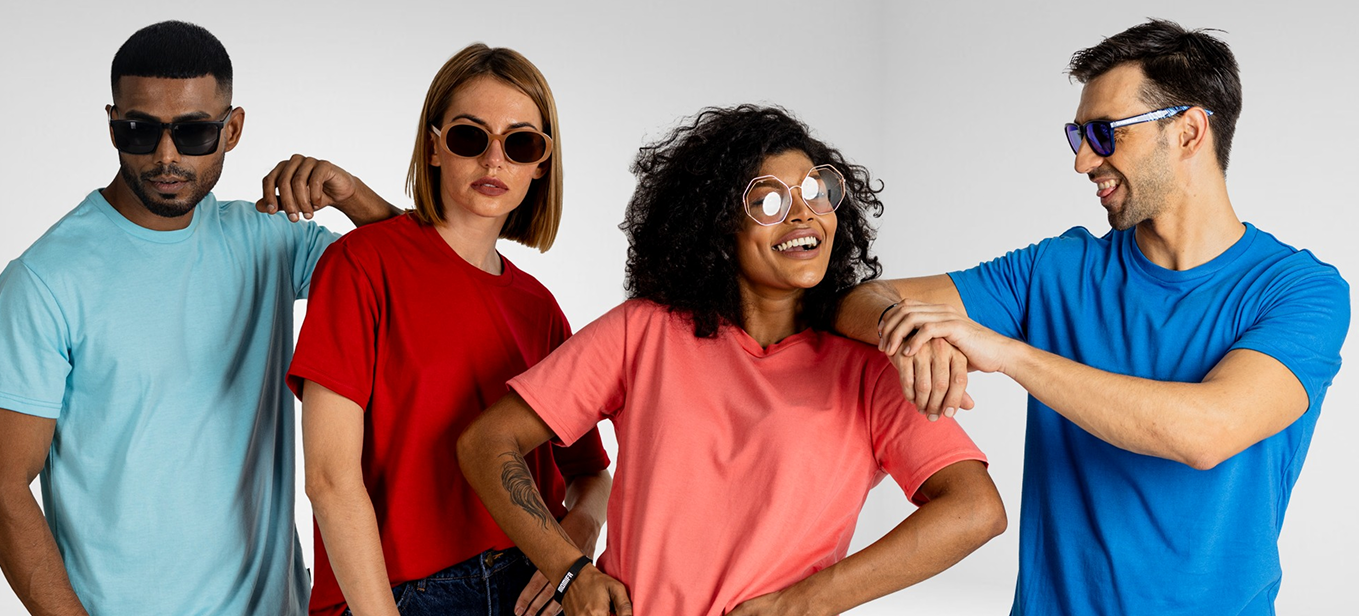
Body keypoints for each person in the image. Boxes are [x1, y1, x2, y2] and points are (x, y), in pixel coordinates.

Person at [836, 19, 1349, 615]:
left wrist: (1007, 354)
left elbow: (1205, 433)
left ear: (1187, 131)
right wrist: (911, 332)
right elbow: (855, 300)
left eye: (1104, 133)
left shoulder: (1300, 291)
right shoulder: (1055, 269)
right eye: (1076, 134)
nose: (1083, 161)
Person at [457, 105, 1006, 616]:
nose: (802, 215)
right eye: (768, 201)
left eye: (816, 192)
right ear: (718, 227)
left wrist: (802, 603)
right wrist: (567, 569)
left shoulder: (868, 369)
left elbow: (974, 510)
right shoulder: (643, 331)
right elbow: (487, 443)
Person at [0, 21, 398, 615]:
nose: (165, 156)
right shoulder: (46, 279)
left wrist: (354, 197)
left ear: (234, 129)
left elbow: (413, 287)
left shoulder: (268, 242)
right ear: (112, 122)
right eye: (139, 131)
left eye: (194, 132)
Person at [284, 43, 612, 616]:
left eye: (520, 143)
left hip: (527, 588)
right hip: (397, 594)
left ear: (541, 163)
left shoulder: (540, 309)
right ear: (434, 147)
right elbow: (330, 480)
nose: (493, 160)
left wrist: (574, 542)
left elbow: (589, 472)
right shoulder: (361, 264)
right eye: (468, 136)